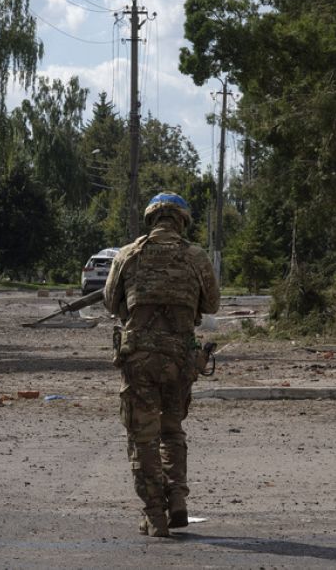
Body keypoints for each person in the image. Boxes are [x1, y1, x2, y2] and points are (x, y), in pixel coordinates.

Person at [103, 192, 221, 537]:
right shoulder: (195, 257)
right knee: (172, 430)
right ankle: (178, 498)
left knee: (143, 436)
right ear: (182, 220)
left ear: (151, 219)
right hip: (179, 359)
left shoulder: (128, 255)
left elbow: (111, 301)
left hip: (139, 358)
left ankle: (155, 512)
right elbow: (212, 304)